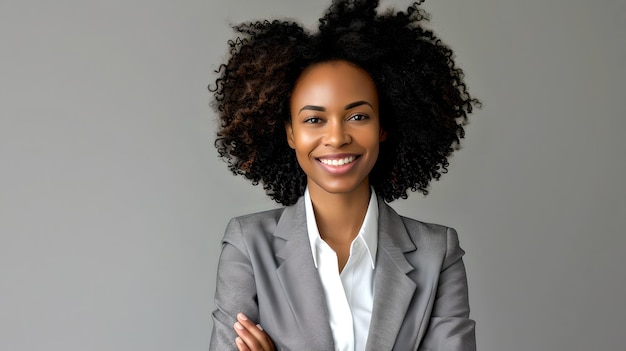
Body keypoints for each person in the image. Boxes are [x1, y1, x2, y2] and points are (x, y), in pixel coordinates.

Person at [209, 0, 480, 350]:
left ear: (384, 126)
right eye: (313, 119)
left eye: (358, 116)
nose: (336, 137)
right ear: (289, 133)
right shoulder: (248, 245)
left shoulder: (436, 253)